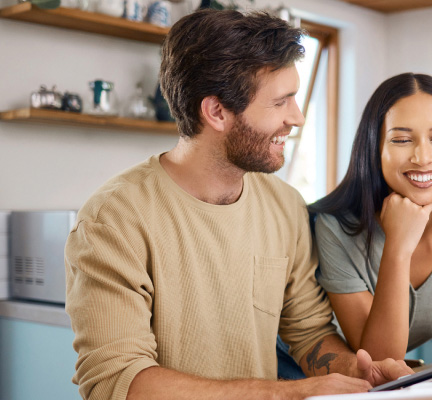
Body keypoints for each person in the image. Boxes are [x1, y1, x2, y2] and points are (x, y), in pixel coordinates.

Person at [64, 9, 412, 400]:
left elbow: (310, 333)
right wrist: (286, 393)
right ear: (216, 112)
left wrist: (359, 371)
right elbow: (117, 382)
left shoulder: (285, 207)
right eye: (281, 102)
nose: (296, 118)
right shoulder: (113, 221)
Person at [309, 73, 432, 384]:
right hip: (311, 380)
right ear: (374, 148)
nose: (423, 158)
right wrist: (399, 246)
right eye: (402, 140)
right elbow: (378, 365)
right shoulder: (335, 227)